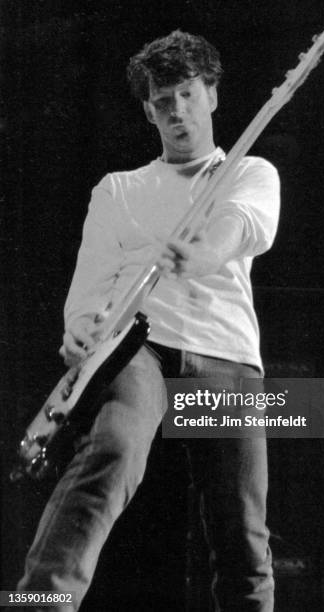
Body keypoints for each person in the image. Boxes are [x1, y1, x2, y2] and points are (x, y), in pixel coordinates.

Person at [16, 30, 280, 611]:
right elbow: (88, 293)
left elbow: (243, 226)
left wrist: (203, 254)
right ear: (148, 110)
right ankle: (38, 603)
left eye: (187, 93)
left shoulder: (250, 171)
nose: (177, 110)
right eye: (164, 101)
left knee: (243, 532)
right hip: (141, 346)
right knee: (112, 451)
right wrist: (81, 330)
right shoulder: (117, 190)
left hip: (227, 354)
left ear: (211, 94)